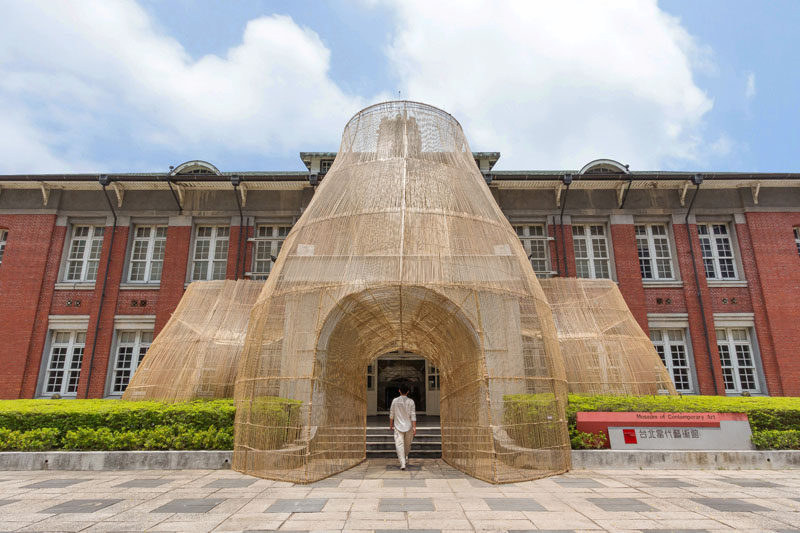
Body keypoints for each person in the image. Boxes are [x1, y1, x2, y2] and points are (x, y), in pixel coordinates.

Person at [388, 382, 416, 470]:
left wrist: (391, 425)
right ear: (408, 391)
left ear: (399, 391)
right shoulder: (411, 401)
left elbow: (392, 414)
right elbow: (413, 415)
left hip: (398, 426)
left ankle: (403, 462)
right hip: (409, 427)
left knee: (400, 444)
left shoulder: (395, 401)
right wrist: (414, 427)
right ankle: (404, 459)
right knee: (407, 445)